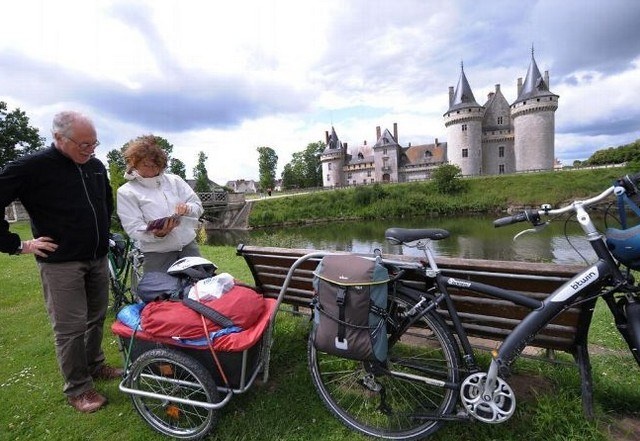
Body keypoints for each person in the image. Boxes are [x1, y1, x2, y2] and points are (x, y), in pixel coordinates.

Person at [0, 110, 122, 413]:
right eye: (83, 145)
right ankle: (78, 388)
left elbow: (104, 202)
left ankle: (94, 365)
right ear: (58, 138)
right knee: (70, 327)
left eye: (94, 144)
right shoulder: (30, 167)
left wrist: (104, 233)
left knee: (96, 316)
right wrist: (18, 244)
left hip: (97, 256)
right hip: (61, 262)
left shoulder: (95, 165)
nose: (91, 151)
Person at [117, 135, 204, 273]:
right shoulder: (126, 192)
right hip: (157, 255)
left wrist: (188, 209)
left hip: (188, 248)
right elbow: (133, 227)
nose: (152, 170)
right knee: (161, 293)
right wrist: (157, 234)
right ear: (134, 163)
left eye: (156, 165)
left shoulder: (175, 181)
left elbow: (197, 206)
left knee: (199, 290)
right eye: (146, 165)